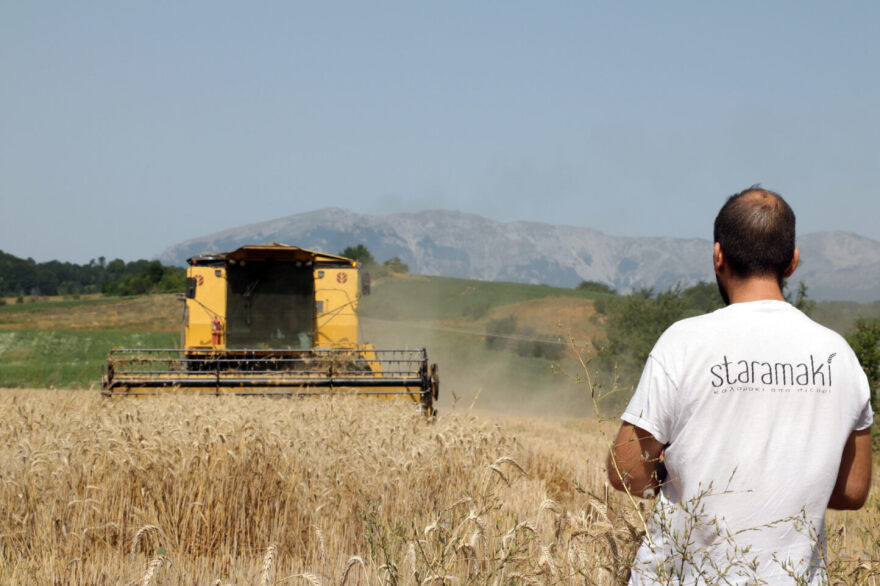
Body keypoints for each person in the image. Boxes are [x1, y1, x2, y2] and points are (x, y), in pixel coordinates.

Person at [607, 187, 873, 585]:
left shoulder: (684, 342)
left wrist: (673, 477)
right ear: (792, 263)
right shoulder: (841, 357)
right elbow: (853, 492)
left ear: (718, 256)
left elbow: (625, 472)